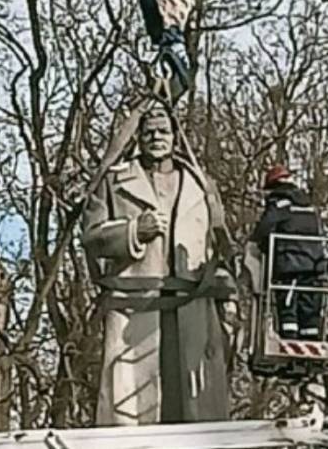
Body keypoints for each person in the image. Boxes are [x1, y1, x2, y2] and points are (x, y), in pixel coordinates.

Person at [82, 103, 234, 426]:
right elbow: (92, 238)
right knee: (133, 415)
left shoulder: (201, 184)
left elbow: (218, 244)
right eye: (149, 131)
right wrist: (134, 230)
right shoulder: (114, 181)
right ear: (138, 137)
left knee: (194, 414)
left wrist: (227, 296)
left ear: (176, 136)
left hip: (191, 308)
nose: (156, 137)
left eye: (163, 130)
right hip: (137, 309)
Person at [250, 165, 326, 341]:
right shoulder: (308, 204)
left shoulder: (279, 203)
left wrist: (257, 245)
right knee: (309, 307)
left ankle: (289, 339)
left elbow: (264, 228)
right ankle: (311, 340)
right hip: (314, 264)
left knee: (288, 306)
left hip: (289, 264)